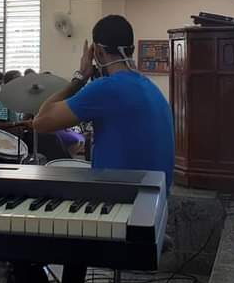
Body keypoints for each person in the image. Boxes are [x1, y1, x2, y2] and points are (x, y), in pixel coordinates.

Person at [32, 15, 175, 189]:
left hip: (122, 203)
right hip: (153, 200)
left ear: (98, 51)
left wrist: (80, 77)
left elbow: (40, 122)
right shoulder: (150, 87)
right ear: (131, 49)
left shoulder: (107, 88)